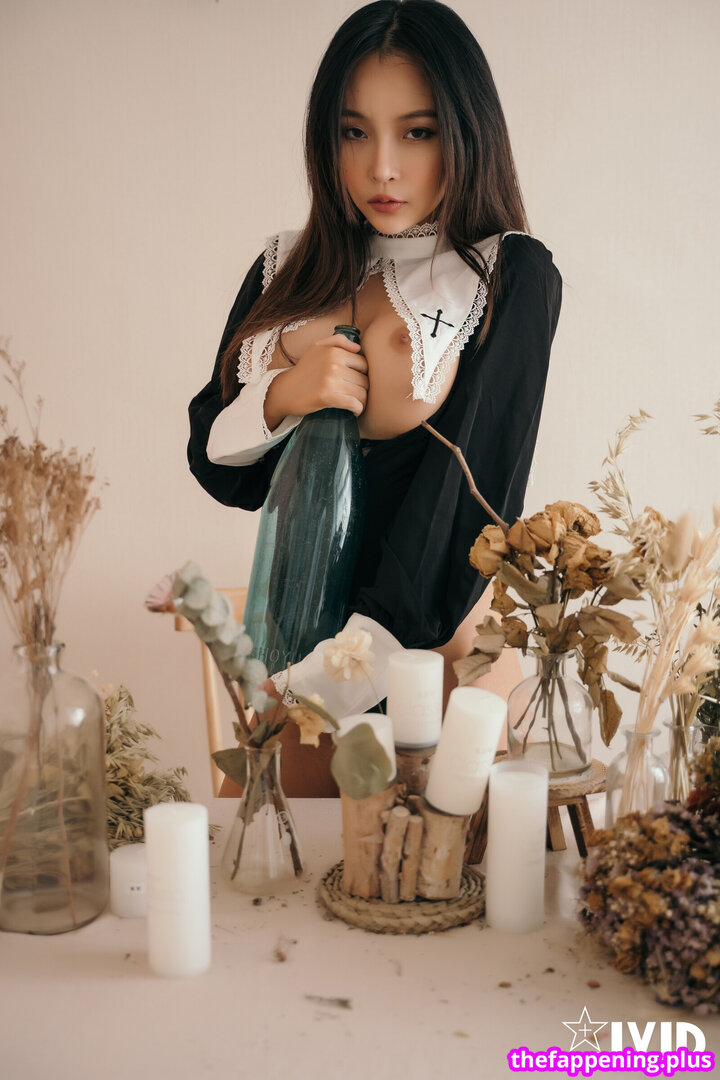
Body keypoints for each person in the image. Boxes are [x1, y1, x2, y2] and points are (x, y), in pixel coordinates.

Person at [188, 0, 562, 793]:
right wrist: (283, 394)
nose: (381, 168)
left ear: (467, 133)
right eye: (354, 132)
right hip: (295, 641)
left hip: (430, 657)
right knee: (258, 863)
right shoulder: (286, 266)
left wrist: (325, 684)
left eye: (417, 132)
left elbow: (467, 507)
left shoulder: (508, 273)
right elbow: (218, 465)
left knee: (425, 868)